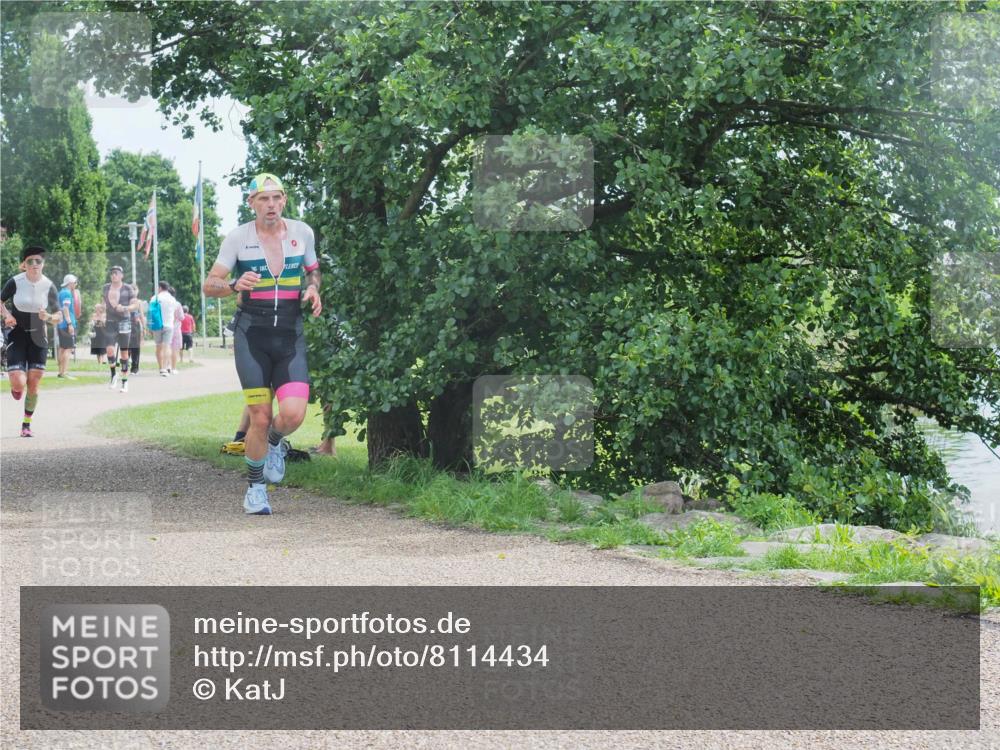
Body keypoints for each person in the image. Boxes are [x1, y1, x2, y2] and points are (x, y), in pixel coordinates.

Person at [204, 172, 322, 515]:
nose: (270, 205)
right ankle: (256, 489)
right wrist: (235, 285)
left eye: (276, 198)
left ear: (284, 200)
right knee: (259, 416)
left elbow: (313, 269)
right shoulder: (238, 238)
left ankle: (274, 444)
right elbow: (210, 284)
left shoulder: (302, 233)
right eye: (263, 199)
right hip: (251, 334)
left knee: (294, 413)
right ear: (251, 203)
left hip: (290, 332)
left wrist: (313, 287)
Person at [0, 245, 63, 436]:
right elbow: (0, 301)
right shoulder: (15, 282)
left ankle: (26, 425)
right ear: (24, 265)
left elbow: (59, 315)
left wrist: (49, 318)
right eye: (30, 261)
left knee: (34, 384)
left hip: (39, 337)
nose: (35, 264)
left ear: (43, 264)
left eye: (39, 261)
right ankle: (16, 388)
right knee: (19, 383)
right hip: (18, 334)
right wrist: (7, 315)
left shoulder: (48, 285)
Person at [102, 266, 139, 392]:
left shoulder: (127, 288)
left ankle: (124, 382)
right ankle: (113, 374)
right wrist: (100, 314)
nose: (113, 275)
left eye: (116, 273)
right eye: (112, 273)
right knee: (110, 350)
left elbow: (135, 305)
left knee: (124, 353)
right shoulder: (106, 287)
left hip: (124, 321)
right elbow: (103, 303)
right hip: (110, 322)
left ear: (121, 275)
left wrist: (125, 308)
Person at [151, 281, 179, 376]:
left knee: (158, 346)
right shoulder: (172, 299)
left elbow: (150, 312)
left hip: (157, 325)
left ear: (159, 287)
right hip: (169, 325)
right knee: (167, 346)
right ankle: (166, 367)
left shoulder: (155, 298)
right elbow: (175, 312)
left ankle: (161, 368)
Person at [56, 274, 79, 379]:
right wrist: (70, 324)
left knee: (62, 348)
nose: (76, 284)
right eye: (75, 282)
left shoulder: (60, 292)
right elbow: (65, 309)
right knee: (68, 348)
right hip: (66, 324)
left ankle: (61, 372)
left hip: (61, 324)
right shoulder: (66, 293)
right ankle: (64, 373)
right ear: (70, 283)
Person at [127, 284, 144, 374]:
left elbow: (141, 315)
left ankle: (135, 367)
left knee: (135, 347)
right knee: (126, 346)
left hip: (136, 325)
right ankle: (126, 364)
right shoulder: (125, 301)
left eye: (135, 289)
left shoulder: (139, 302)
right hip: (127, 324)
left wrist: (144, 327)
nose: (134, 291)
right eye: (132, 289)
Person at [168, 286, 183, 374]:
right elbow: (181, 317)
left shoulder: (163, 303)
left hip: (166, 328)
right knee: (175, 349)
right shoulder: (177, 304)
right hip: (176, 328)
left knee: (167, 348)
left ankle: (167, 366)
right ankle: (173, 368)